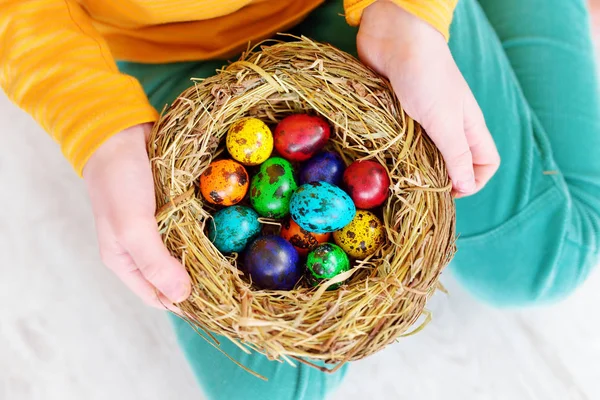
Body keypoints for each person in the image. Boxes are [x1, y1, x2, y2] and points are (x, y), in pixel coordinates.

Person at [2, 0, 599, 398]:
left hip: (353, 9)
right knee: (268, 383)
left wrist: (410, 12)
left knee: (544, 263)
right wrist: (96, 123)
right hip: (161, 48)